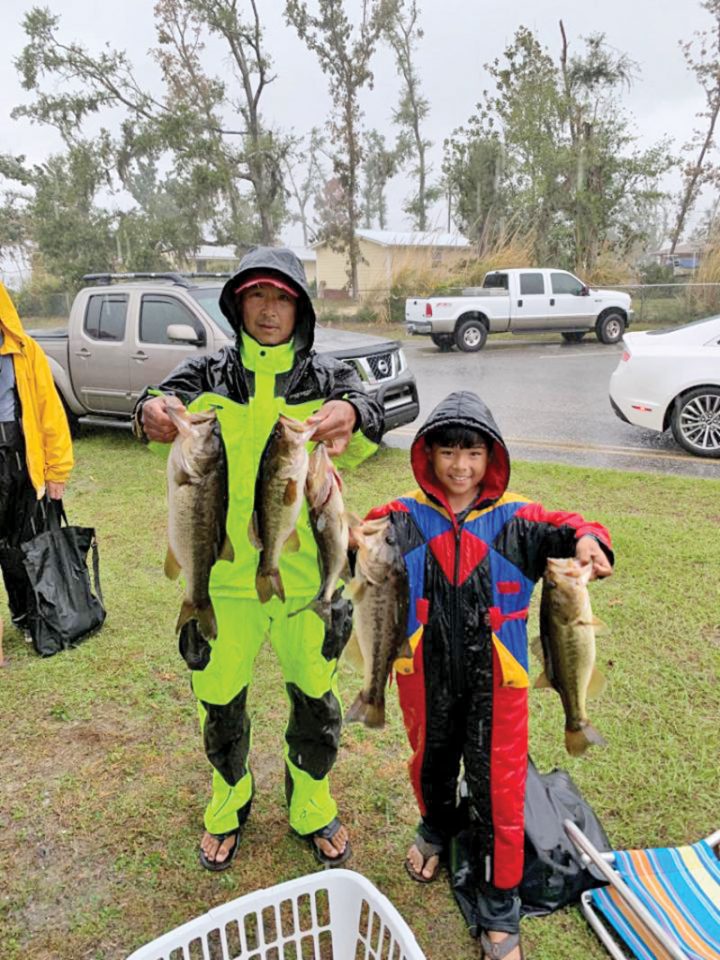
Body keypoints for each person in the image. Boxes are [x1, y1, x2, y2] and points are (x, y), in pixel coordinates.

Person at [133, 247, 383, 871]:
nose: (269, 311)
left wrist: (353, 413)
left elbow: (374, 413)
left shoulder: (326, 377)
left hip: (308, 581)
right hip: (220, 584)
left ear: (300, 307)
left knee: (315, 700)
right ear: (238, 304)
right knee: (218, 699)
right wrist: (150, 412)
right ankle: (228, 801)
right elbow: (154, 398)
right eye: (256, 297)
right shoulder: (209, 371)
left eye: (282, 298)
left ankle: (312, 805)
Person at [364, 391, 613, 960]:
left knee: (499, 789)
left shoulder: (520, 518)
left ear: (491, 456)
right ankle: (436, 827)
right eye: (447, 452)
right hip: (421, 674)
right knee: (429, 761)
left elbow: (572, 526)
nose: (459, 466)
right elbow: (354, 535)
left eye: (472, 453)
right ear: (428, 456)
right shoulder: (402, 516)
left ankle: (500, 903)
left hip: (498, 683)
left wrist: (589, 541)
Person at [0, 284, 73, 644]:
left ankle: (31, 615)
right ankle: (18, 612)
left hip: (19, 458)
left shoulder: (26, 352)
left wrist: (57, 470)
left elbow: (50, 414)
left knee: (24, 542)